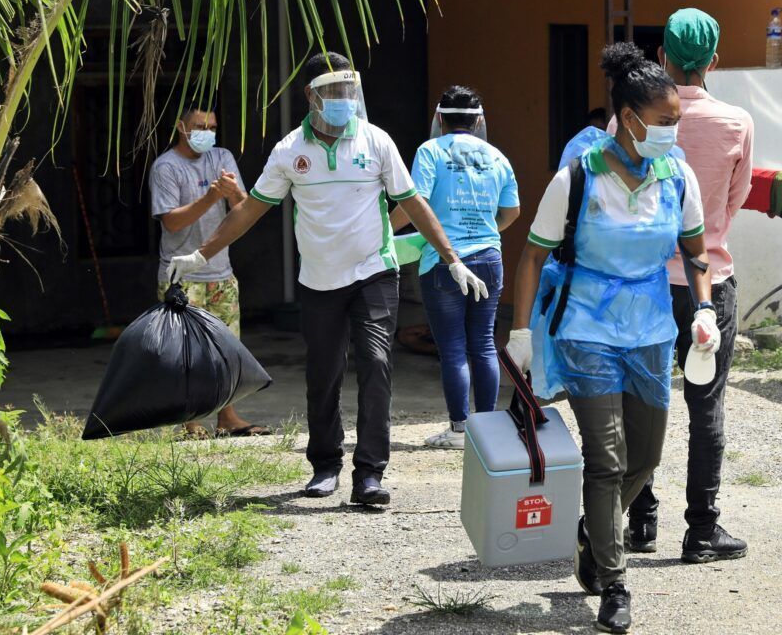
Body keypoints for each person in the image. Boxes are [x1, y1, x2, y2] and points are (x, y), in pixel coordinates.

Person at [167, 52, 486, 506]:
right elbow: (250, 209)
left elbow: (413, 202)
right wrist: (201, 253)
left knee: (376, 364)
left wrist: (451, 258)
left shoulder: (376, 141)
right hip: (319, 280)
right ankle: (325, 465)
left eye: (348, 91)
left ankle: (370, 474)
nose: (343, 100)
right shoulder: (289, 150)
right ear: (311, 95)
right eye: (333, 91)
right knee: (323, 373)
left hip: (374, 272)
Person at [506, 43, 719, 633]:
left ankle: (591, 532)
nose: (674, 131)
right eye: (665, 121)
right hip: (588, 329)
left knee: (645, 457)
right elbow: (532, 256)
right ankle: (614, 581)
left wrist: (704, 309)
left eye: (677, 121)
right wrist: (521, 332)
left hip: (650, 330)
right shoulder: (577, 177)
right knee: (607, 459)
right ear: (629, 118)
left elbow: (697, 252)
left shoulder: (677, 177)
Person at [611, 8, 754, 564]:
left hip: (642, 280)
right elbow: (735, 199)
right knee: (706, 405)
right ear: (713, 61)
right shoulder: (736, 122)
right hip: (708, 282)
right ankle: (702, 530)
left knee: (639, 400)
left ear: (662, 56)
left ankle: (641, 519)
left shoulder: (630, 117)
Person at [390, 86, 520, 449]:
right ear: (478, 121)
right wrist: (486, 231)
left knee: (452, 348)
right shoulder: (497, 156)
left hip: (444, 262)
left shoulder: (430, 151)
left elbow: (415, 203)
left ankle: (459, 429)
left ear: (440, 118)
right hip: (489, 259)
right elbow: (512, 212)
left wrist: (382, 230)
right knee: (484, 344)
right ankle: (488, 428)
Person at [149, 107, 270, 440]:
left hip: (221, 273)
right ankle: (192, 420)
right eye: (200, 126)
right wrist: (211, 197)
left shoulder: (222, 157)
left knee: (227, 349)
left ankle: (227, 417)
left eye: (212, 127)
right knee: (186, 353)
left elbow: (243, 210)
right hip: (181, 276)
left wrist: (234, 194)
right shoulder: (166, 167)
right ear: (181, 127)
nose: (207, 132)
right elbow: (172, 222)